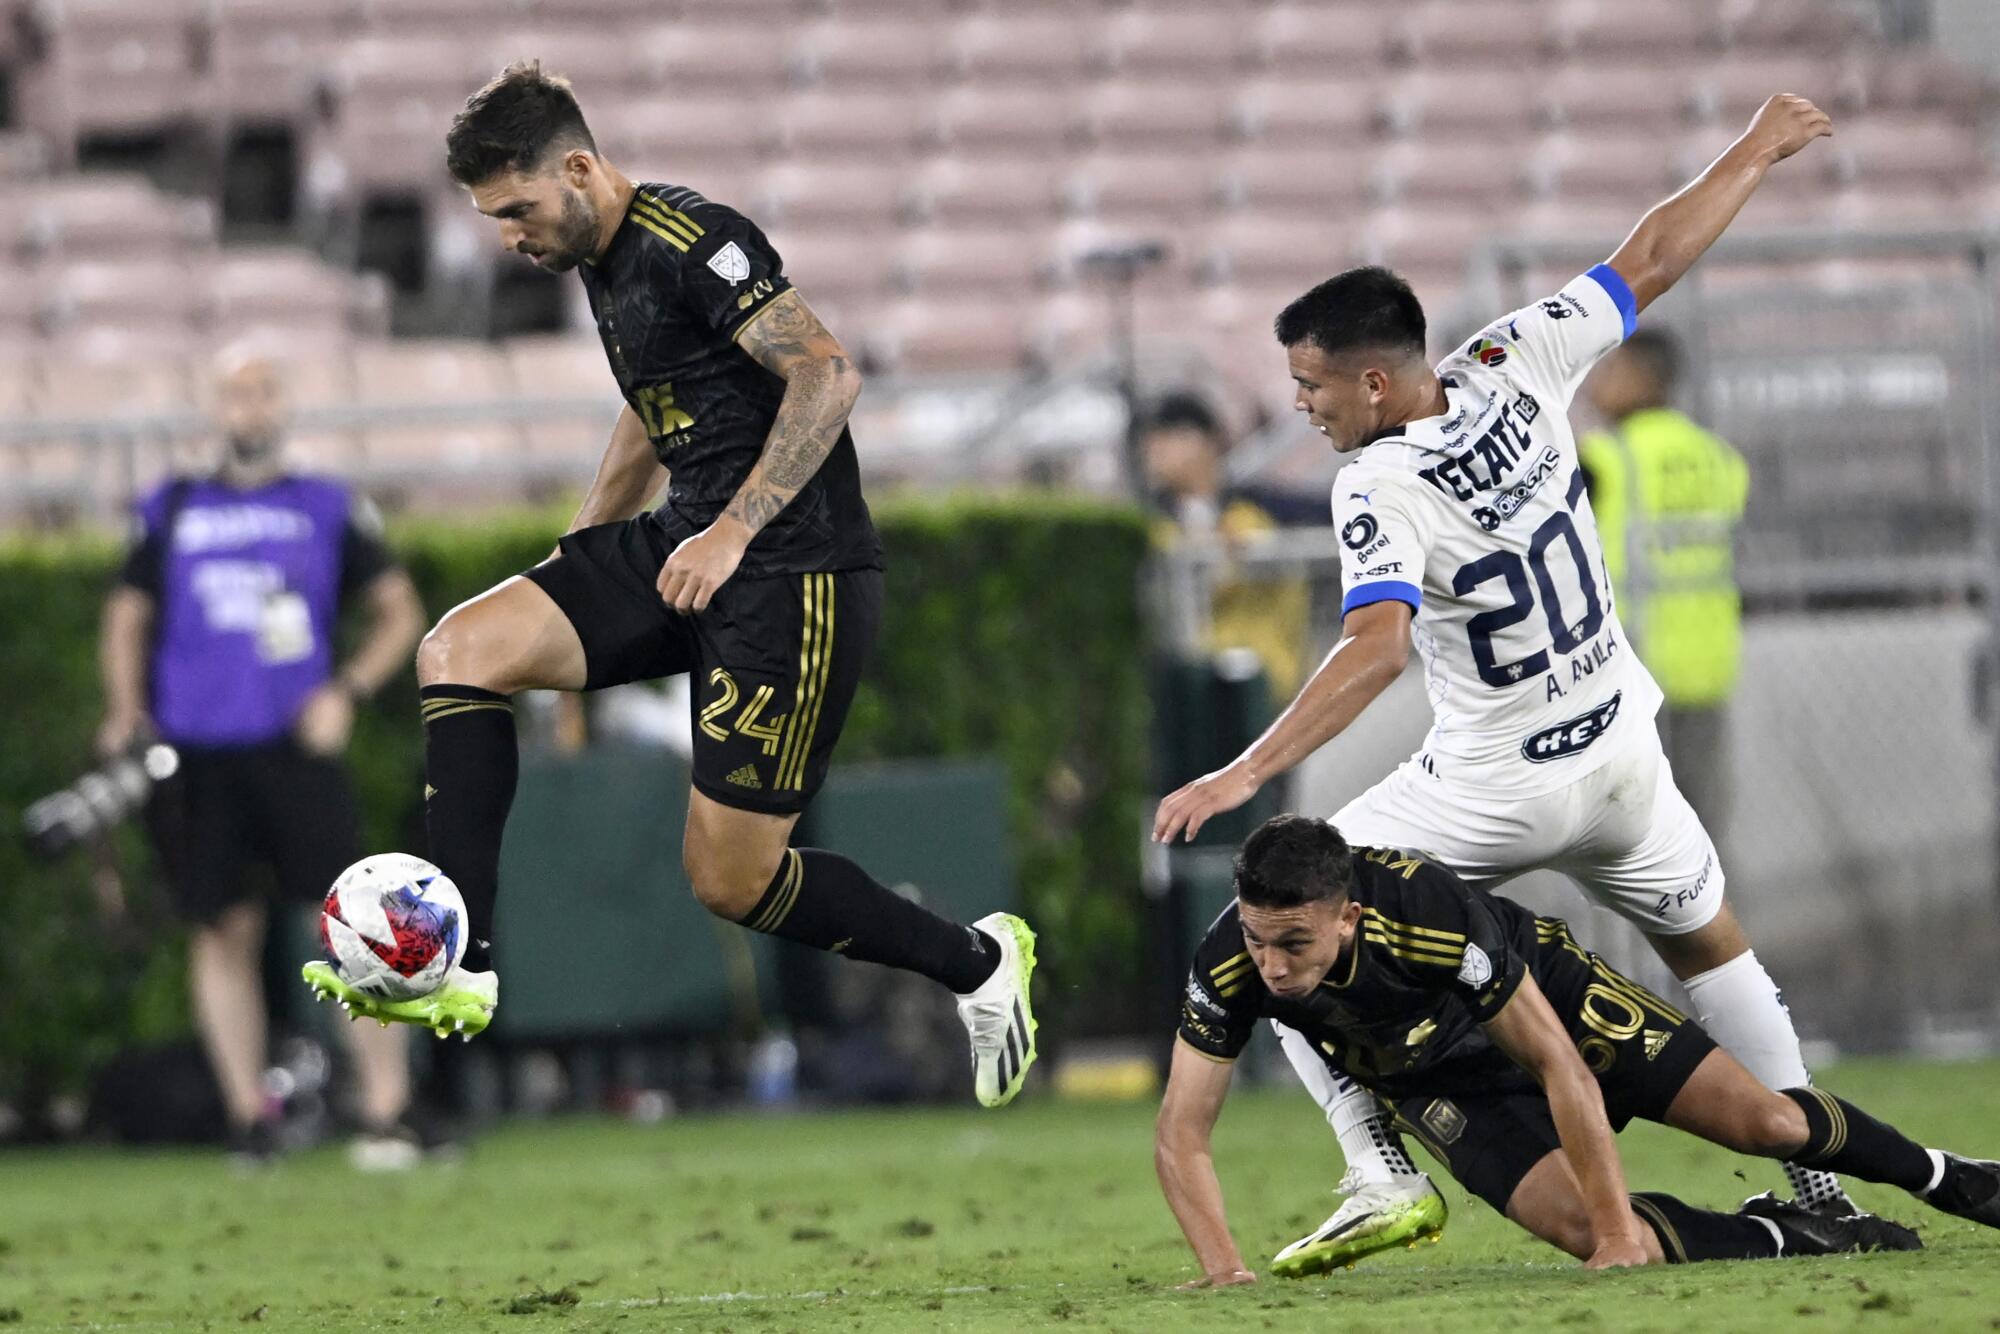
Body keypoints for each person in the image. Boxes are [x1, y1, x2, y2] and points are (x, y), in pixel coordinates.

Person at [1153, 95, 1849, 1270]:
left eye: (1311, 385)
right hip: (1620, 754)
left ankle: (1377, 1167)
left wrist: (1243, 767)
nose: (1300, 405)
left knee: (1273, 924)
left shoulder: (1375, 480)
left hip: (1493, 783)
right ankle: (1819, 1182)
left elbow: (1374, 646)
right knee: (1716, 954)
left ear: (1372, 386)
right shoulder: (1514, 356)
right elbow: (1652, 257)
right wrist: (1759, 145)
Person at [301, 63, 1038, 1108]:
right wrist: (580, 548)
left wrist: (735, 530)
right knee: (461, 649)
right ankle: (457, 954)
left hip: (793, 574)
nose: (509, 235)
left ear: (579, 167)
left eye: (515, 209)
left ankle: (977, 961)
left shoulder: (692, 237)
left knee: (729, 880)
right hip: (681, 545)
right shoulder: (600, 261)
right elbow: (654, 409)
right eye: (491, 218)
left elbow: (827, 372)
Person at [1155, 816, 2000, 1285]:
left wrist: (1617, 1233)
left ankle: (1945, 1178)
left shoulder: (1427, 913)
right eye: (1260, 941)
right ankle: (1796, 1236)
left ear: (1348, 918)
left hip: (1546, 1004)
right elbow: (1182, 1130)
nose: (1271, 966)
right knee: (1584, 1230)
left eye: (1292, 945)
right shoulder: (1232, 962)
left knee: (1769, 1123)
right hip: (1434, 1080)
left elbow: (1555, 1060)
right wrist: (1225, 1269)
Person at [99, 348, 430, 1165]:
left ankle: (388, 1112)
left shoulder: (327, 505)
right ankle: (250, 1119)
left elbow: (399, 612)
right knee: (220, 931)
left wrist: (344, 692)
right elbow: (126, 615)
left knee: (356, 922)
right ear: (213, 406)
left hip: (295, 747)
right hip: (198, 751)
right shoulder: (172, 506)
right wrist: (124, 710)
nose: (247, 407)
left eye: (261, 391)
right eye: (233, 393)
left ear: (283, 401)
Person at [1580, 331, 1750, 836]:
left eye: (1609, 372)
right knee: (1702, 826)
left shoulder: (1607, 458)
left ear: (1643, 379)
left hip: (1634, 668)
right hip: (1707, 666)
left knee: (1632, 834)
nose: (1594, 387)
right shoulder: (1717, 455)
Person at [1141, 391, 1320, 696]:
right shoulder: (1149, 524)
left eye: (1168, 436)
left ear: (1204, 441)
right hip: (1188, 686)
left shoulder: (1259, 511)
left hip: (1266, 678)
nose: (1153, 449)